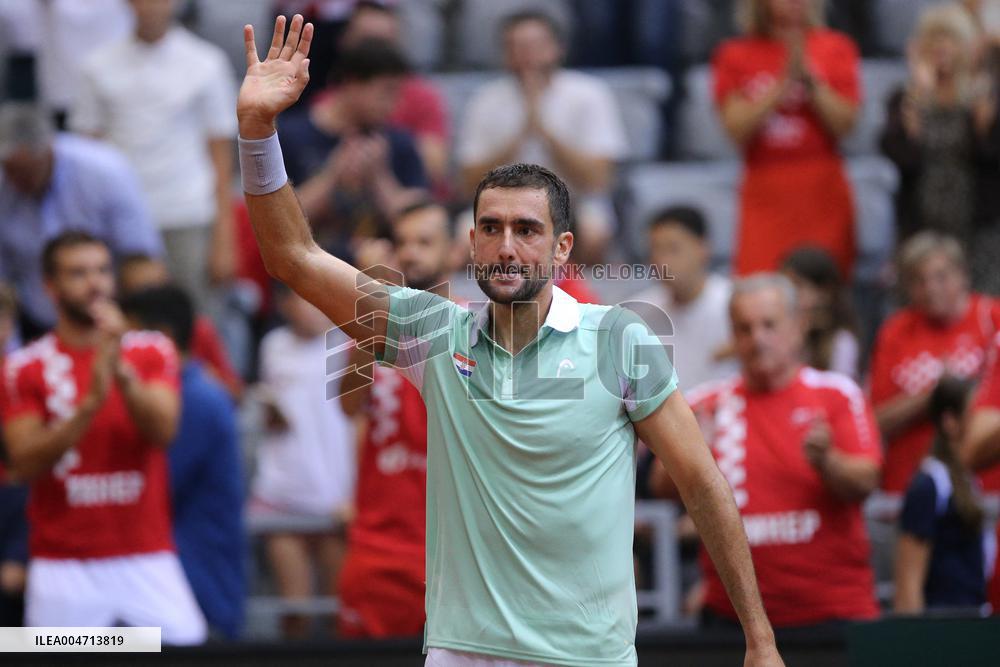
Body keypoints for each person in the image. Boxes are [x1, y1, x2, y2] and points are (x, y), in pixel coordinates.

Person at [235, 15, 783, 665]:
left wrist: (760, 637)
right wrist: (258, 130)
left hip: (588, 656)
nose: (506, 246)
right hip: (463, 652)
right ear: (471, 244)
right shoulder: (434, 333)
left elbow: (702, 482)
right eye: (491, 228)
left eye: (526, 229)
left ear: (562, 247)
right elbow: (293, 257)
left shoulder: (617, 337)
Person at [0, 231, 205, 643]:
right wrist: (89, 404)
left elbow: (164, 432)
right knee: (50, 657)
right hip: (62, 563)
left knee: (187, 645)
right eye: (78, 273)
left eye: (102, 270)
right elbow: (23, 461)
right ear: (50, 286)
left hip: (145, 554)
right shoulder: (23, 367)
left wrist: (122, 374)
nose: (95, 283)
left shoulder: (152, 350)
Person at [653, 274, 880, 628]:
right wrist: (695, 454)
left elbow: (867, 480)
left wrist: (828, 462)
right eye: (744, 328)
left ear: (798, 326)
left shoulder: (836, 394)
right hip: (734, 620)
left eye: (769, 325)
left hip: (833, 613)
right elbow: (659, 485)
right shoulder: (707, 404)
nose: (757, 339)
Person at [336, 200, 455, 639]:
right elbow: (348, 404)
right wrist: (374, 304)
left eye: (424, 242)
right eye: (401, 242)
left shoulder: (479, 328)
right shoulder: (374, 325)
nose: (409, 253)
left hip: (456, 556)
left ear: (454, 251)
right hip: (378, 550)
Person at [71, 0, 239, 309]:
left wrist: (224, 239)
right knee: (123, 318)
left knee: (197, 320)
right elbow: (86, 157)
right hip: (121, 220)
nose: (151, 6)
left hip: (187, 213)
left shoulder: (207, 63)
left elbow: (221, 156)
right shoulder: (96, 66)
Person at [120, 283, 246, 640]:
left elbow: (150, 484)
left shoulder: (195, 399)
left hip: (197, 588)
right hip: (179, 582)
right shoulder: (193, 392)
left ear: (161, 336)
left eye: (128, 336)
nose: (120, 349)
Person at [456, 10, 629, 265]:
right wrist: (521, 131)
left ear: (557, 48)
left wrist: (543, 129)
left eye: (534, 45)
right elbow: (469, 182)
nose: (526, 54)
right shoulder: (485, 100)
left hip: (575, 201)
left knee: (595, 232)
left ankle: (577, 289)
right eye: (516, 46)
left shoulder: (589, 94)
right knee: (464, 238)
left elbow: (598, 179)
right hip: (504, 201)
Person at [713, 0, 861, 278]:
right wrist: (781, 86)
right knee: (761, 281)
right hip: (765, 189)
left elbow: (846, 125)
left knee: (823, 285)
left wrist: (811, 83)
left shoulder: (836, 47)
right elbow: (735, 129)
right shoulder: (734, 53)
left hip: (822, 189)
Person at [0, 101, 162, 339]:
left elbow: (141, 260)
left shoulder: (105, 170)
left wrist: (137, 335)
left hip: (112, 314)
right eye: (10, 170)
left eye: (26, 171)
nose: (17, 180)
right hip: (33, 321)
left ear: (48, 151)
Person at [249, 283, 356, 639]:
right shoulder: (272, 346)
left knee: (338, 612)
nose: (314, 307)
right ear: (284, 305)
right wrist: (271, 412)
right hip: (282, 490)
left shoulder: (349, 344)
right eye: (304, 299)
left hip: (336, 496)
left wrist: (356, 494)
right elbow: (274, 412)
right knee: (295, 613)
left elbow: (359, 417)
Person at [869, 232, 1000, 494]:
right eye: (919, 280)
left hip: (984, 485)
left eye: (941, 277)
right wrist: (932, 396)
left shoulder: (992, 318)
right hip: (909, 482)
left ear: (963, 275)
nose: (931, 288)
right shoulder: (895, 331)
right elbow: (874, 420)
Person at [277, 38, 427, 262]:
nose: (395, 105)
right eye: (387, 92)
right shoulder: (291, 135)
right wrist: (333, 175)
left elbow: (423, 224)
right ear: (352, 83)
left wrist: (379, 177)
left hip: (388, 268)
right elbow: (279, 222)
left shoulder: (399, 142)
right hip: (309, 267)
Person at [879, 3, 1000, 251]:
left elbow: (991, 157)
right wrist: (917, 103)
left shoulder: (982, 97)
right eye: (934, 38)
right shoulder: (905, 98)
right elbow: (899, 157)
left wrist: (983, 128)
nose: (941, 46)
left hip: (976, 219)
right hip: (921, 218)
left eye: (951, 38)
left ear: (967, 47)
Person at [894, 376, 990, 613]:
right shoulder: (929, 485)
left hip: (971, 619)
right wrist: (916, 633)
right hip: (942, 625)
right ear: (950, 422)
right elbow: (908, 585)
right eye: (976, 413)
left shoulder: (967, 479)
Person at [338, 1, 450, 197]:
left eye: (384, 41)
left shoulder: (404, 134)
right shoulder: (320, 106)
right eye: (367, 40)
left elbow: (434, 171)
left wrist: (378, 171)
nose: (375, 50)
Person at [633, 205, 738, 393]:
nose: (661, 261)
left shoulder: (735, 305)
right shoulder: (637, 313)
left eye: (673, 249)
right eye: (655, 250)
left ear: (703, 248)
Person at [118, 254, 243, 399]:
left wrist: (206, 377)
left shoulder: (198, 329)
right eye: (138, 292)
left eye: (158, 288)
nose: (152, 299)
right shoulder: (117, 334)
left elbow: (236, 391)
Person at [780, 246, 860, 378]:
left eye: (798, 285)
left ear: (825, 291)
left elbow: (839, 384)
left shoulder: (840, 341)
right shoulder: (776, 332)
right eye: (784, 286)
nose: (789, 295)